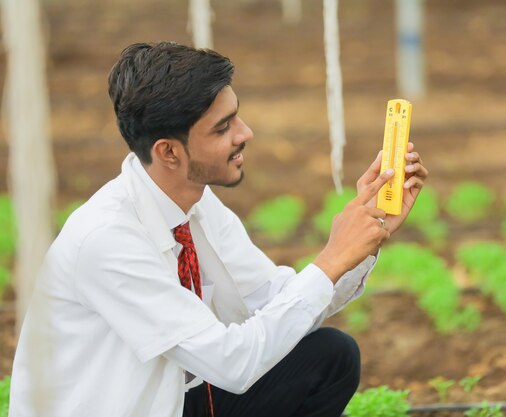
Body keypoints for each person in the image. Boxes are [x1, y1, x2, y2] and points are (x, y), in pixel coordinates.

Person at [9, 42, 428, 417]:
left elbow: (274, 302)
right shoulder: (106, 239)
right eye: (223, 127)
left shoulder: (195, 203)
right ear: (169, 151)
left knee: (329, 357)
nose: (245, 134)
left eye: (236, 117)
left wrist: (366, 232)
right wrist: (331, 257)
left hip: (172, 398)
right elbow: (233, 364)